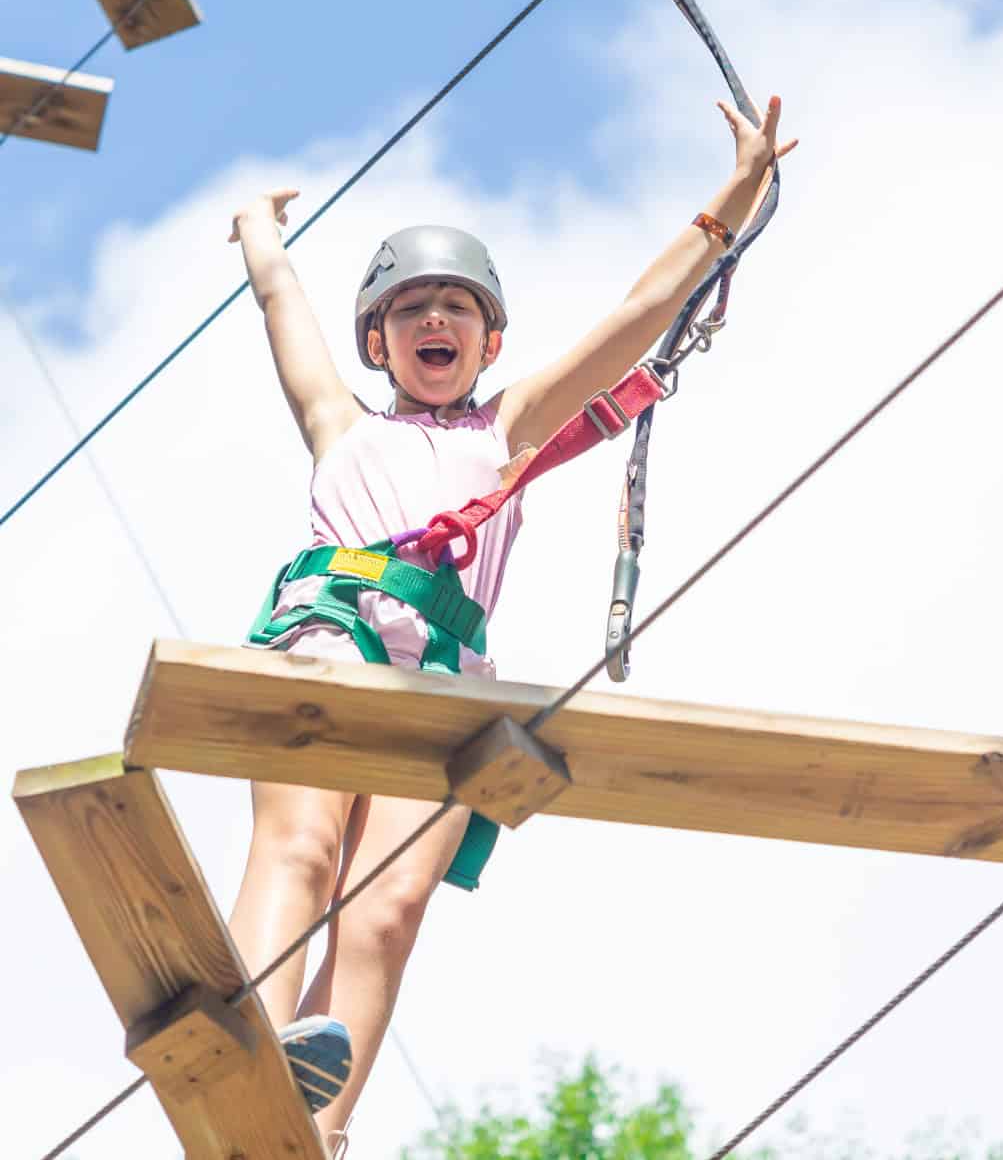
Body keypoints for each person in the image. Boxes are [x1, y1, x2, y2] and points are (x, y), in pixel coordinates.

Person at [225, 94, 795, 1153]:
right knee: (301, 847)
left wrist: (736, 195)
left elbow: (631, 320)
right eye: (411, 310)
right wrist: (260, 229)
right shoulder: (340, 427)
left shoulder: (511, 429)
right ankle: (245, 1045)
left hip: (442, 679)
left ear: (489, 340)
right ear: (378, 342)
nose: (434, 322)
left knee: (388, 910)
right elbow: (281, 307)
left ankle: (318, 1135)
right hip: (330, 635)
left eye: (457, 308)